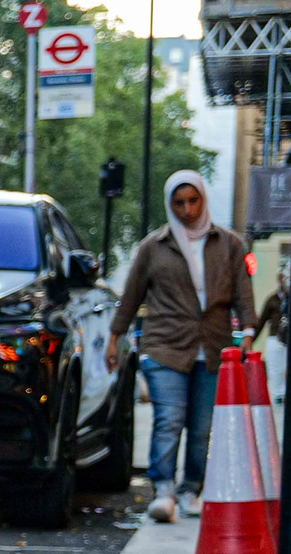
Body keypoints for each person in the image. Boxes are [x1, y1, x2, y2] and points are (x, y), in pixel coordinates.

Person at [108, 170, 256, 522]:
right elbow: (131, 297)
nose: (187, 209)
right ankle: (163, 490)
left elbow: (243, 294)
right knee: (169, 419)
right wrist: (115, 337)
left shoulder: (230, 244)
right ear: (169, 204)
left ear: (203, 199)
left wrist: (249, 330)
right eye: (179, 202)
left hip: (214, 347)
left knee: (202, 426)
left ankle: (191, 489)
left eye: (193, 200)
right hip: (165, 345)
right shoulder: (154, 247)